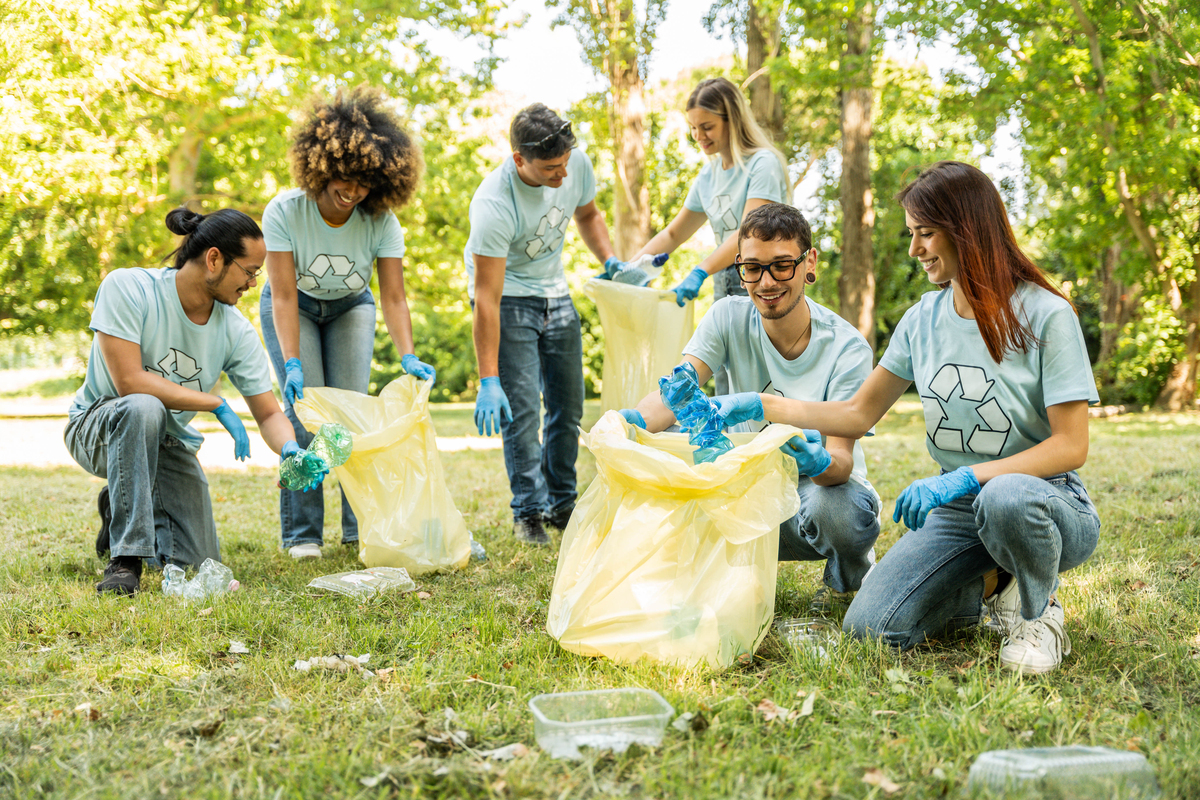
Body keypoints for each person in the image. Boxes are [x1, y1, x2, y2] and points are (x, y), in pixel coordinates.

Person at [714, 161, 1101, 674]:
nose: (915, 249)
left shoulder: (1048, 314)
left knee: (1005, 495)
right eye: (912, 235)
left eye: (925, 234)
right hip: (960, 510)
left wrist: (967, 476)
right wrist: (763, 406)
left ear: (967, 231)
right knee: (871, 626)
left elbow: (1071, 446)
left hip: (1043, 499)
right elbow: (857, 412)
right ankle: (993, 586)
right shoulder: (923, 320)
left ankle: (1038, 613)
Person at [620, 203, 880, 612]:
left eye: (781, 266)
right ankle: (719, 575)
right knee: (665, 447)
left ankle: (849, 577)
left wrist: (815, 462)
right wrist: (631, 422)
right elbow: (678, 394)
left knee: (839, 512)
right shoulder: (727, 316)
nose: (765, 282)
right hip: (743, 487)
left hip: (813, 497)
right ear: (739, 267)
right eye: (752, 268)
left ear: (809, 262)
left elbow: (841, 463)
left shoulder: (847, 349)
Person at [66, 207, 308, 595]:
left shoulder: (235, 330)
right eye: (249, 271)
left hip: (167, 442)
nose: (252, 283)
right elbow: (130, 382)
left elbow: (267, 413)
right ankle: (125, 560)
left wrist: (291, 449)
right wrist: (213, 403)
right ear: (214, 259)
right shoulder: (128, 287)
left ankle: (122, 501)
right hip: (98, 426)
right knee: (144, 406)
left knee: (200, 562)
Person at [260, 85, 435, 560]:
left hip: (351, 307)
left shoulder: (380, 222)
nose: (353, 192)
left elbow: (393, 297)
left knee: (349, 421)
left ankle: (360, 527)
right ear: (321, 167)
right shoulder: (285, 211)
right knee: (306, 414)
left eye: (364, 184)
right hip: (293, 305)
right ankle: (303, 535)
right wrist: (292, 362)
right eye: (344, 178)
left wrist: (407, 353)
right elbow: (282, 292)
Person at [465, 103, 620, 545]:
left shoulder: (575, 162)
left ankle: (562, 503)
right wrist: (488, 378)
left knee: (568, 406)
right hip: (510, 297)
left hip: (557, 295)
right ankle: (528, 512)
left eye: (566, 163)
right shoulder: (494, 203)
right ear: (519, 160)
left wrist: (609, 259)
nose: (563, 176)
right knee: (523, 410)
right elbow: (487, 300)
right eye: (552, 168)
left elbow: (588, 215)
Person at [627, 77, 790, 395]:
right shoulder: (709, 175)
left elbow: (749, 235)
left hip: (764, 280)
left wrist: (700, 270)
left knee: (760, 384)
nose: (699, 136)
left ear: (732, 120)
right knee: (727, 380)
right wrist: (631, 268)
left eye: (707, 127)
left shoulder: (763, 164)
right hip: (726, 283)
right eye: (693, 128)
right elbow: (674, 232)